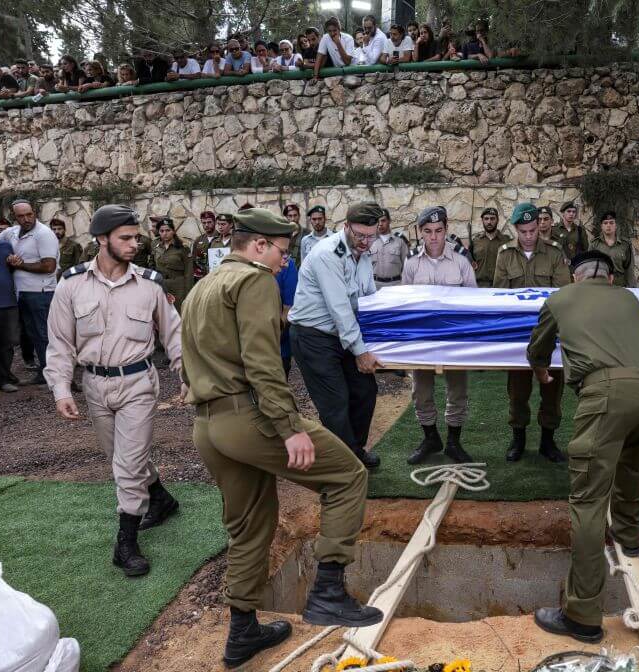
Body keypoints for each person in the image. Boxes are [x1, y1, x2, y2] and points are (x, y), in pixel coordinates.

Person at [181, 208, 382, 667]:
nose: (285, 263)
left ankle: (243, 632)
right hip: (248, 417)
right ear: (257, 246)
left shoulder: (202, 287)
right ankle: (329, 591)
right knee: (348, 476)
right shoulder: (254, 281)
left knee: (249, 525)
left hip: (208, 425)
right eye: (281, 252)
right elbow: (263, 364)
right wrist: (289, 427)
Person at [528, 250, 639, 644]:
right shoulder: (628, 296)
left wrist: (541, 371)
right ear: (609, 278)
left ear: (575, 277)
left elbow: (537, 350)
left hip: (608, 393)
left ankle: (583, 615)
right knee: (634, 456)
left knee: (588, 500)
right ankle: (629, 533)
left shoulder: (560, 299)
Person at [45, 204, 183, 578]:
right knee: (121, 456)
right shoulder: (70, 285)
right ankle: (160, 497)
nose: (134, 243)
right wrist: (61, 388)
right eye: (125, 238)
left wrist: (187, 375)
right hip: (94, 385)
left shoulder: (150, 285)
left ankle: (126, 543)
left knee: (127, 463)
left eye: (136, 237)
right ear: (101, 239)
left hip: (138, 382)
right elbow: (59, 343)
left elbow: (175, 336)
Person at [288, 202, 385, 470]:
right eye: (360, 236)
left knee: (365, 390)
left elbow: (366, 298)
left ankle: (354, 450)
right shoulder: (327, 254)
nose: (366, 242)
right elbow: (340, 308)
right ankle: (344, 468)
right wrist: (361, 351)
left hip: (341, 335)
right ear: (346, 227)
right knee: (336, 401)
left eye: (371, 235)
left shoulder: (362, 253)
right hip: (313, 337)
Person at [493, 203, 571, 463]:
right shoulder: (504, 255)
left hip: (549, 335)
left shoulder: (555, 253)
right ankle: (518, 440)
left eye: (533, 230)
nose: (528, 236)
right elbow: (500, 297)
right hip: (518, 337)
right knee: (517, 392)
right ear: (515, 229)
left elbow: (563, 295)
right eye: (523, 231)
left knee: (551, 388)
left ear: (540, 226)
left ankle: (548, 442)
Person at [402, 206, 478, 464]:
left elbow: (472, 300)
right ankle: (431, 437)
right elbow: (406, 303)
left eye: (438, 231)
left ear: (446, 230)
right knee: (421, 391)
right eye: (428, 231)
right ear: (420, 232)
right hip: (423, 338)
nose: (433, 237)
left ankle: (454, 442)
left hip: (454, 337)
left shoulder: (461, 261)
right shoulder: (411, 262)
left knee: (457, 390)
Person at [0, 199, 59, 386]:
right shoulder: (12, 233)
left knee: (43, 335)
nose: (26, 219)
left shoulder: (44, 234)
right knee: (34, 334)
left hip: (41, 292)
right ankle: (45, 372)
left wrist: (20, 264)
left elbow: (49, 266)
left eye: (29, 214)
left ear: (35, 213)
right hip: (23, 293)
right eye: (21, 216)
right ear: (14, 217)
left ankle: (53, 375)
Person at [0, 223, 19, 393]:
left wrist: (15, 262)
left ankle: (4, 379)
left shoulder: (6, 247)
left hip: (8, 303)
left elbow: (13, 268)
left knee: (7, 344)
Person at [151, 217, 192, 312]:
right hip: (161, 286)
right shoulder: (155, 246)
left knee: (179, 315)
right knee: (163, 316)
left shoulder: (183, 248)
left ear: (173, 231)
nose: (164, 233)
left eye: (168, 230)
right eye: (161, 231)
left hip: (178, 287)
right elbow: (152, 266)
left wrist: (188, 293)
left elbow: (189, 272)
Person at [589, 211, 635, 287]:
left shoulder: (625, 245)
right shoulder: (594, 244)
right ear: (601, 226)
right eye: (605, 223)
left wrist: (631, 287)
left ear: (616, 225)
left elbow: (629, 268)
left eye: (611, 223)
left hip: (619, 285)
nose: (608, 225)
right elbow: (590, 267)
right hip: (600, 284)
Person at [469, 207, 511, 288]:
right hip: (480, 287)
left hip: (501, 286)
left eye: (492, 219)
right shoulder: (475, 241)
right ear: (482, 221)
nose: (489, 222)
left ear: (497, 220)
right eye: (486, 219)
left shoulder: (506, 241)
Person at [369, 209, 409, 288]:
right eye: (377, 221)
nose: (380, 224)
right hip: (375, 286)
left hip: (395, 285)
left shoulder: (400, 241)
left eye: (383, 221)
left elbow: (407, 266)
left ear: (389, 221)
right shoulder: (369, 241)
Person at [192, 210, 218, 283]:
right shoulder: (198, 240)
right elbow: (194, 261)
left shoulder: (221, 238)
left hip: (217, 277)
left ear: (215, 222)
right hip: (202, 279)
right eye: (204, 223)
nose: (206, 225)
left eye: (209, 222)